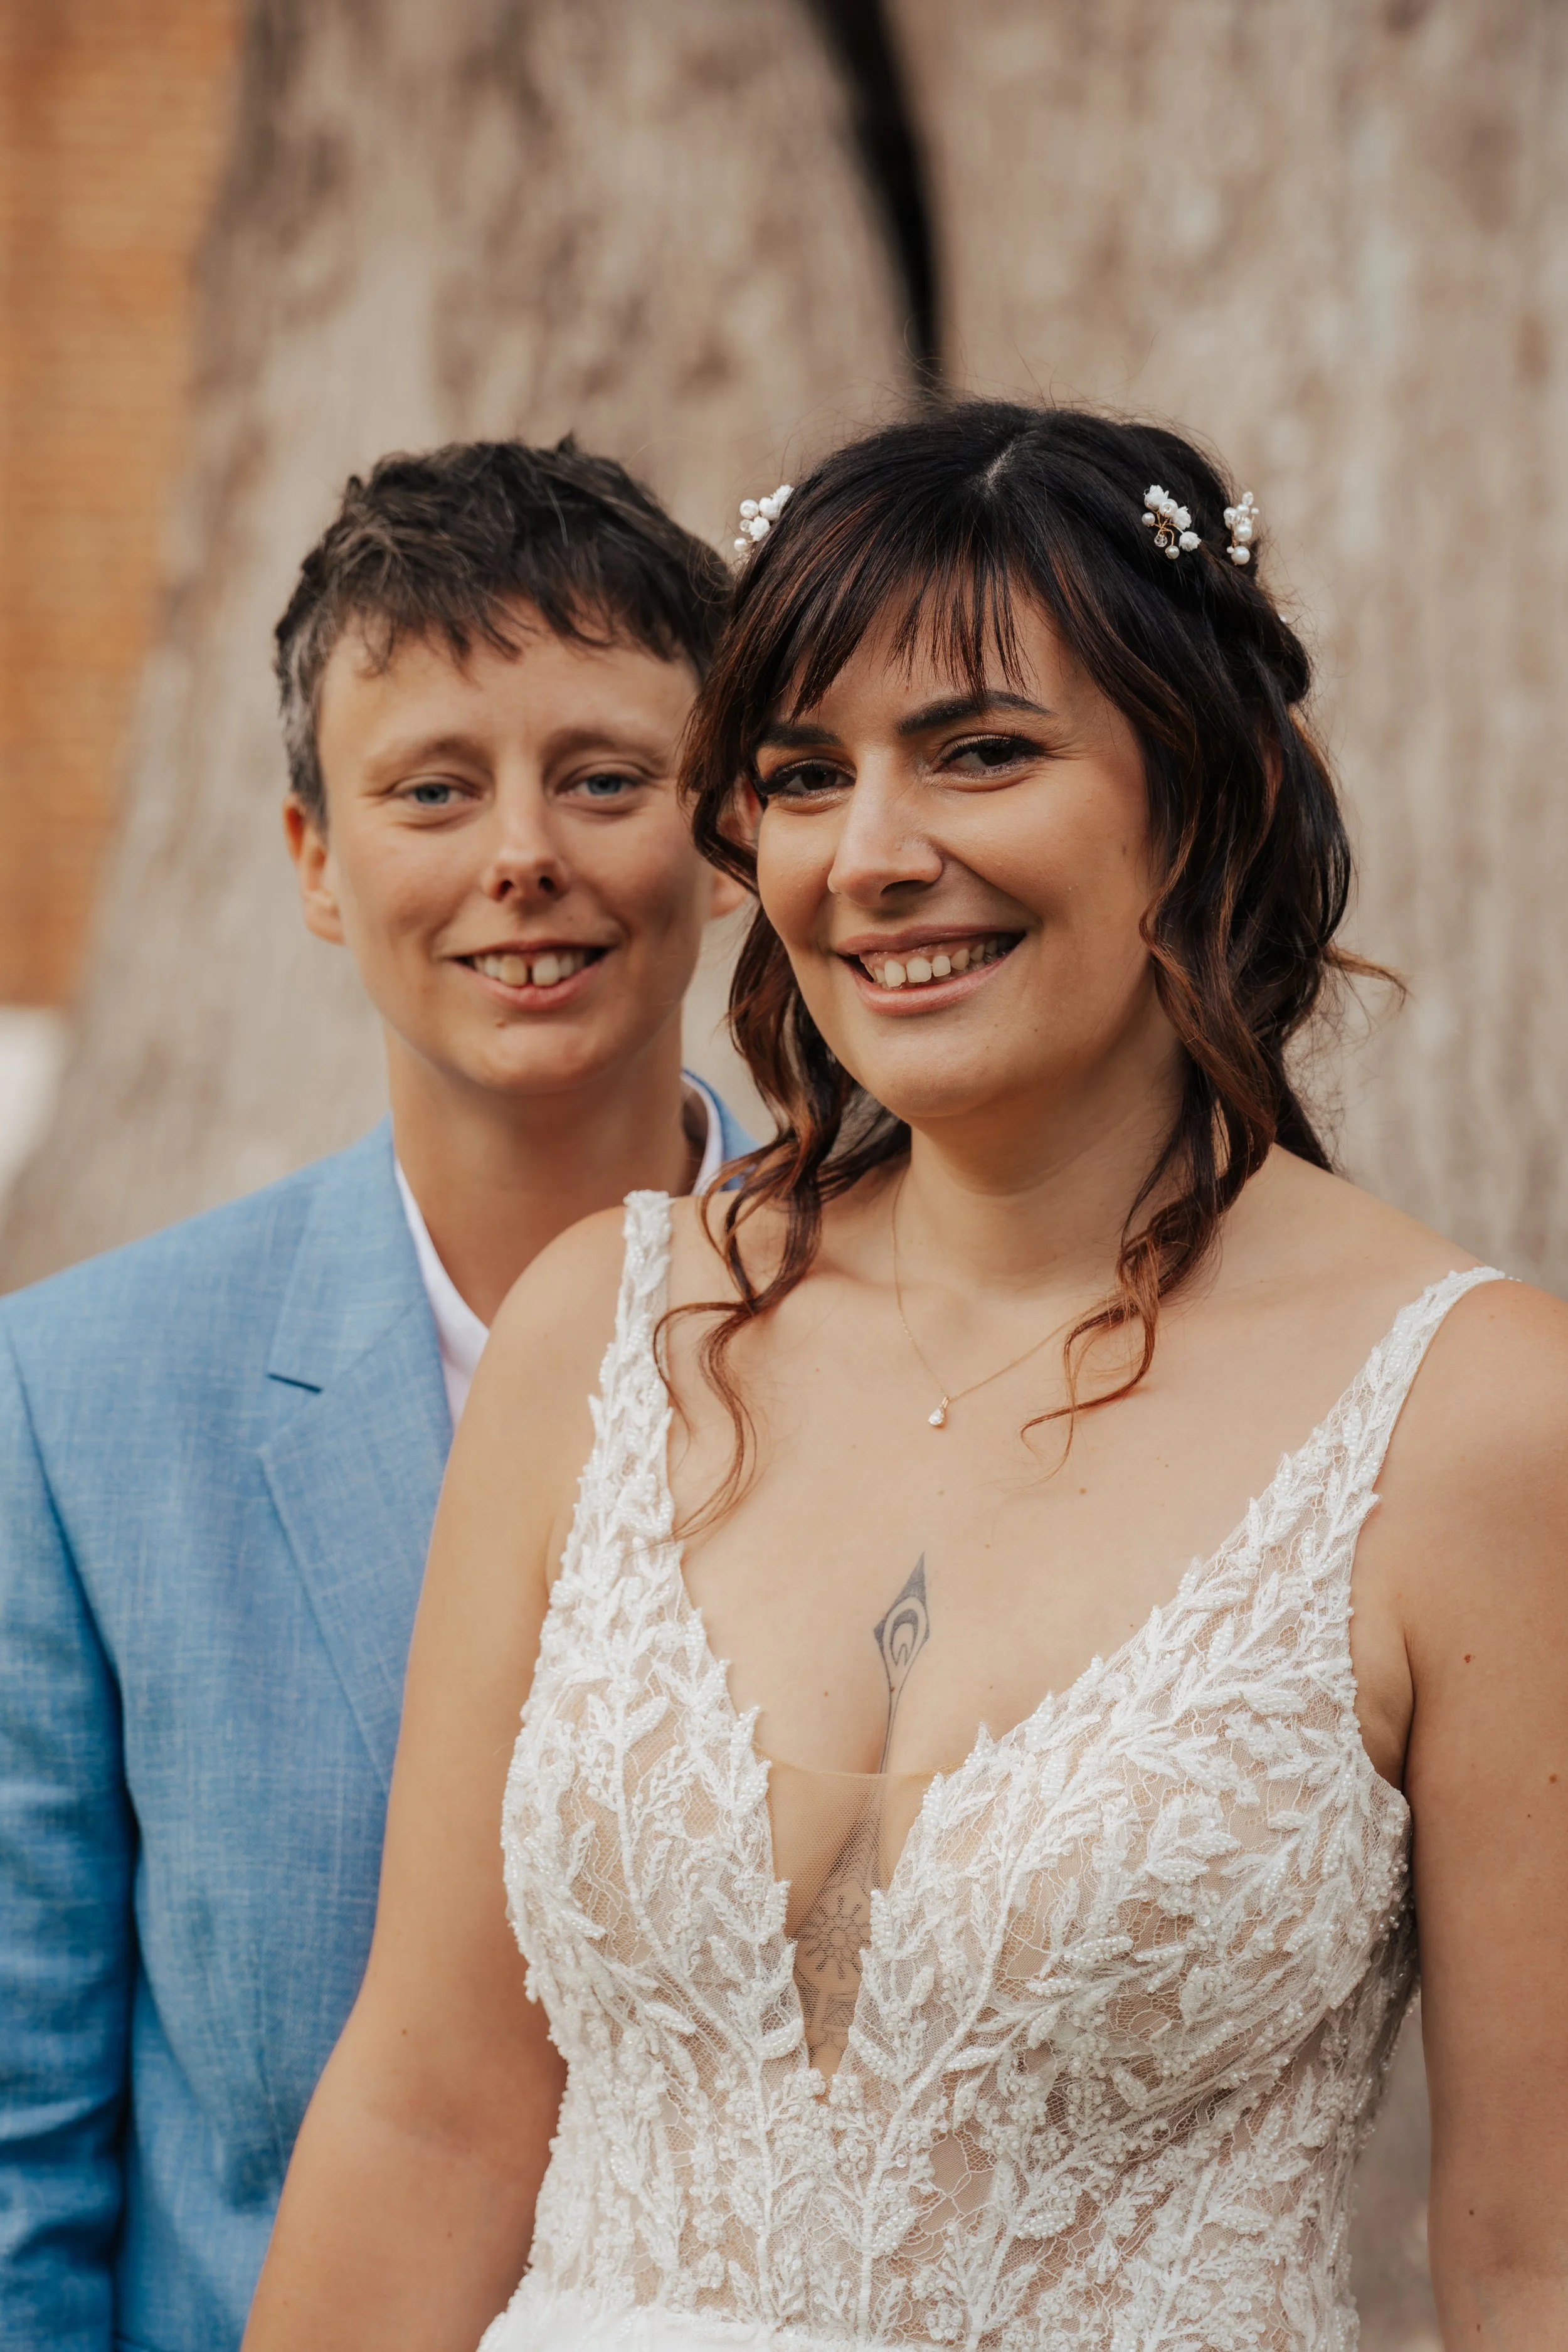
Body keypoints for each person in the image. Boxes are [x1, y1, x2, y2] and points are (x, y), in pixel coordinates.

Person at [245, 403, 1568, 2352]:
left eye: (979, 753)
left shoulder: (1472, 1419)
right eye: (801, 775)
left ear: (1194, 797)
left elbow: (1530, 2246)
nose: (871, 856)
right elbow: (432, 2109)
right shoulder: (599, 1335)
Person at [0, 437, 754, 2352]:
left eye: (603, 778)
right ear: (315, 862)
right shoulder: (81, 1402)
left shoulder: (920, 1338)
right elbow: (28, 2153)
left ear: (729, 829)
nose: (525, 854)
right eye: (433, 788)